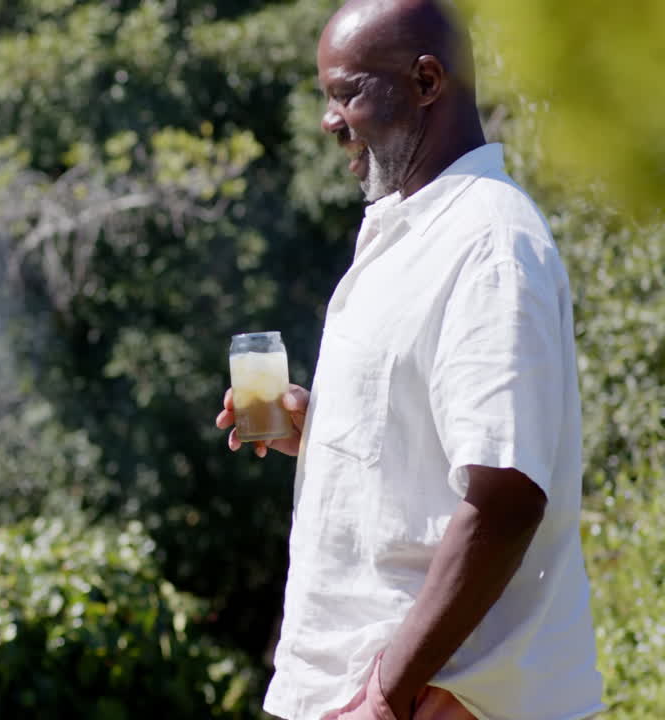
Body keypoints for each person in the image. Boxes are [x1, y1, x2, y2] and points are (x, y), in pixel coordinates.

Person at [216, 1, 603, 718]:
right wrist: (320, 429)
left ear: (427, 82)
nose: (331, 122)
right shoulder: (409, 230)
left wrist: (388, 694)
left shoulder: (490, 243)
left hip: (427, 697)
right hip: (356, 686)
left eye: (347, 92)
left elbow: (506, 494)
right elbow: (438, 447)